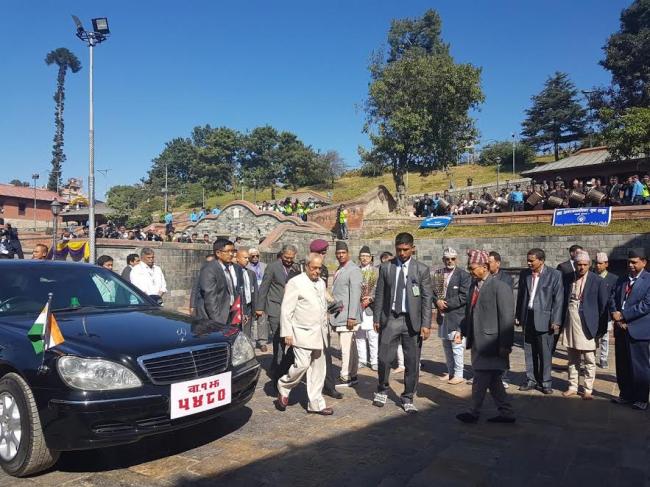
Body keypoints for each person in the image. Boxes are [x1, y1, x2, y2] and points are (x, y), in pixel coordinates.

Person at [372, 232, 433, 413]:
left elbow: (426, 298)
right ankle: (382, 389)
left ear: (412, 248)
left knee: (412, 361)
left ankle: (407, 396)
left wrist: (426, 324)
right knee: (383, 357)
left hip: (412, 321)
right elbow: (380, 294)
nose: (402, 253)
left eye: (406, 250)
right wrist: (377, 318)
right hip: (391, 318)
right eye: (399, 250)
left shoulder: (421, 270)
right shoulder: (386, 268)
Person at [456, 250, 515, 424]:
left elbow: (506, 318)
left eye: (472, 268)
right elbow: (471, 312)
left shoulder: (500, 287)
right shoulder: (474, 287)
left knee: (481, 378)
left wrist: (505, 344)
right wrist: (463, 330)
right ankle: (507, 413)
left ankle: (473, 412)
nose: (470, 271)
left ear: (484, 267)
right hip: (477, 340)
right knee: (494, 380)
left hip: (492, 342)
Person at [275, 254, 333, 416]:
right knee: (301, 365)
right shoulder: (295, 282)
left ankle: (316, 404)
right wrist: (287, 333)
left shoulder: (321, 283)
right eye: (313, 268)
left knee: (318, 370)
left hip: (320, 333)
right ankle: (284, 386)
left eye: (319, 268)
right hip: (301, 332)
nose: (316, 271)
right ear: (306, 266)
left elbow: (322, 304)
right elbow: (287, 310)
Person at [560, 251, 609, 400]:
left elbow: (603, 307)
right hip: (571, 321)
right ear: (574, 265)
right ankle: (573, 386)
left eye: (585, 265)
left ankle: (588, 389)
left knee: (589, 359)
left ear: (589, 265)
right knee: (572, 358)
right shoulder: (568, 278)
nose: (581, 267)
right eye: (579, 264)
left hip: (589, 324)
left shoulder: (597, 281)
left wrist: (600, 329)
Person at [516, 248, 563, 394]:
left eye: (532, 260)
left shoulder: (554, 275)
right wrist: (518, 315)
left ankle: (546, 382)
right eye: (528, 260)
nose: (529, 263)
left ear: (541, 260)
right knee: (529, 351)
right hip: (528, 317)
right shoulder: (525, 274)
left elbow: (558, 299)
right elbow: (521, 296)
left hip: (545, 318)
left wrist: (555, 320)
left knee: (545, 352)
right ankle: (531, 379)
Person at [610, 249, 650, 410]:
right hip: (621, 328)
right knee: (622, 364)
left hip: (638, 329)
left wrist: (624, 316)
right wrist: (615, 314)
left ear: (644, 262)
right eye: (629, 262)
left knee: (640, 366)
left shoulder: (648, 280)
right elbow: (612, 297)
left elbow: (646, 305)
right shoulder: (622, 279)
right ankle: (625, 395)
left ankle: (641, 398)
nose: (631, 265)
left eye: (634, 262)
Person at [256, 244, 301, 389]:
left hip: (292, 310)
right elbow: (264, 286)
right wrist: (259, 307)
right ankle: (277, 369)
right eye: (286, 257)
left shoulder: (296, 268)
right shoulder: (273, 267)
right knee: (279, 339)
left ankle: (281, 366)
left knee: (289, 339)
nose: (289, 260)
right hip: (276, 308)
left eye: (291, 258)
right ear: (281, 255)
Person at [432, 247, 471, 385]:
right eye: (447, 259)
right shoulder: (438, 274)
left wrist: (446, 303)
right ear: (443, 260)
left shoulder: (463, 275)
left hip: (457, 317)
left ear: (457, 259)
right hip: (442, 317)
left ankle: (459, 374)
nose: (450, 261)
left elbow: (464, 296)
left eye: (452, 259)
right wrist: (437, 301)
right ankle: (450, 372)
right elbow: (432, 292)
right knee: (446, 346)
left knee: (457, 346)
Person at [330, 241, 363, 387]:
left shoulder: (353, 269)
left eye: (343, 253)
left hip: (348, 316)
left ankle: (345, 376)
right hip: (340, 314)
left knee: (346, 347)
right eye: (338, 253)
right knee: (351, 347)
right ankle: (353, 374)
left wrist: (352, 316)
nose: (340, 255)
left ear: (348, 253)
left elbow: (355, 294)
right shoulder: (341, 268)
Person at [195, 239, 237, 324]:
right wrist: (218, 322)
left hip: (228, 313)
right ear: (218, 253)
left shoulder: (226, 268)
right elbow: (210, 299)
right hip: (214, 318)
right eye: (228, 251)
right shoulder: (210, 269)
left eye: (233, 251)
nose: (231, 254)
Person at [356, 246, 379, 371]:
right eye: (362, 256)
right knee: (359, 335)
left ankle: (374, 360)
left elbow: (381, 289)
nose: (364, 258)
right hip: (358, 308)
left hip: (371, 307)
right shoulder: (355, 270)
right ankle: (362, 359)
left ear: (370, 258)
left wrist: (370, 298)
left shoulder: (376, 271)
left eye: (366, 256)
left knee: (372, 335)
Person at [595, 252, 618, 368]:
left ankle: (603, 358)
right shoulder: (591, 276)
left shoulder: (613, 278)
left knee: (605, 338)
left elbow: (614, 297)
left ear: (606, 264)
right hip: (593, 313)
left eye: (600, 263)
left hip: (606, 313)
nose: (598, 266)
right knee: (593, 337)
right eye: (596, 263)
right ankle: (590, 358)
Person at [247, 248, 268, 352]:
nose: (255, 258)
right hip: (250, 296)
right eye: (253, 256)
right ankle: (252, 342)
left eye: (257, 256)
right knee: (252, 320)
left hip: (262, 295)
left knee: (262, 319)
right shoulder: (246, 267)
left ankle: (262, 342)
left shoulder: (264, 266)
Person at [235, 249, 258, 339]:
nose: (248, 260)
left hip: (249, 306)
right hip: (238, 306)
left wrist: (255, 308)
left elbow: (254, 291)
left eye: (248, 258)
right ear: (237, 258)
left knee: (247, 331)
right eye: (245, 258)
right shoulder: (234, 273)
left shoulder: (251, 273)